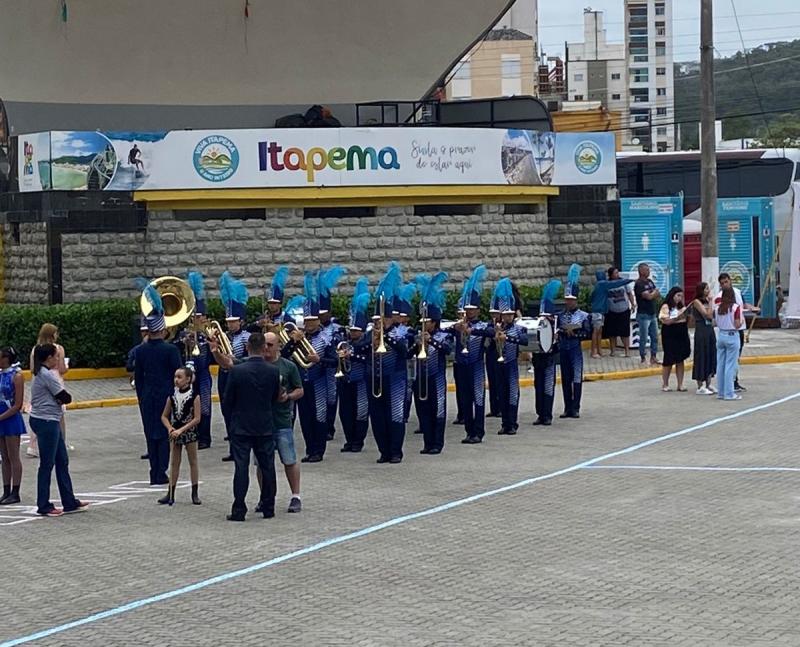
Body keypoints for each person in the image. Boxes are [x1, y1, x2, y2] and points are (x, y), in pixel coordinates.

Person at [222, 333, 281, 521]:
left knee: (241, 467)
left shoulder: (237, 371)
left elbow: (227, 400)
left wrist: (232, 420)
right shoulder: (272, 371)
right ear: (264, 347)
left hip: (241, 425)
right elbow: (275, 397)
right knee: (267, 466)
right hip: (264, 424)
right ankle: (269, 506)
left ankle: (239, 509)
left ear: (247, 347)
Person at [29, 344, 88, 517]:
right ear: (48, 358)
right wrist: (62, 399)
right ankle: (43, 504)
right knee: (47, 464)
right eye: (55, 357)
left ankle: (69, 500)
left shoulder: (41, 372)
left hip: (50, 419)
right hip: (46, 420)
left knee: (62, 460)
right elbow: (65, 397)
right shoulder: (47, 375)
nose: (57, 359)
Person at [284, 273, 336, 463]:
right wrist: (292, 343)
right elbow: (284, 356)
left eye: (313, 320)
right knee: (305, 419)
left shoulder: (326, 338)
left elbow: (334, 361)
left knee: (319, 416)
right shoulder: (298, 337)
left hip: (319, 382)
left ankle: (319, 450)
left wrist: (318, 359)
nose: (309, 324)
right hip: (301, 383)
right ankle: (310, 449)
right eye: (307, 320)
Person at [135, 283, 183, 485]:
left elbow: (138, 377)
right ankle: (161, 471)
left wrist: (141, 396)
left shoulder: (140, 350)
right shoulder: (170, 350)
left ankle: (153, 470)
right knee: (164, 433)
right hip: (166, 396)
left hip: (147, 395)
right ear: (162, 329)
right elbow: (178, 373)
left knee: (150, 432)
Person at [367, 263, 409, 463]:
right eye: (378, 319)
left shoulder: (401, 332)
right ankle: (383, 450)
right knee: (377, 417)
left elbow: (405, 351)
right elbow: (357, 350)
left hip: (395, 378)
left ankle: (396, 451)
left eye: (383, 318)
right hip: (375, 379)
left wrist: (386, 338)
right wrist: (372, 341)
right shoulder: (370, 335)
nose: (380, 322)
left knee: (395, 414)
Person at [261, 332, 304, 513]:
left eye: (271, 345)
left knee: (289, 459)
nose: (267, 348)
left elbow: (300, 390)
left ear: (279, 346)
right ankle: (265, 496)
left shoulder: (288, 366)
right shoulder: (257, 364)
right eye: (264, 345)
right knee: (262, 462)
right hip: (262, 422)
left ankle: (296, 496)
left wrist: (288, 397)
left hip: (282, 420)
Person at [452, 265, 494, 444]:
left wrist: (471, 332)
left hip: (476, 366)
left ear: (477, 310)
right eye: (466, 309)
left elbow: (492, 333)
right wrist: (457, 329)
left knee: (478, 399)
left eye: (472, 309)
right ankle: (469, 430)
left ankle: (478, 431)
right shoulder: (459, 325)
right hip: (461, 365)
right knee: (465, 399)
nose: (469, 312)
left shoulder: (482, 325)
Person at [414, 272, 451, 454]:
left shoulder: (443, 335)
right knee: (424, 411)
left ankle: (437, 442)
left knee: (438, 410)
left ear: (434, 322)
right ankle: (427, 442)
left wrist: (431, 342)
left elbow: (447, 350)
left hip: (436, 377)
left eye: (426, 322)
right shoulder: (418, 336)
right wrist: (417, 344)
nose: (423, 324)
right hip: (421, 377)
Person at [217, 271, 250, 462]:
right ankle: (233, 447)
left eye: (233, 322)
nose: (230, 325)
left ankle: (241, 447)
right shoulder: (224, 337)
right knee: (226, 411)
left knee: (239, 413)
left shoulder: (246, 337)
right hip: (224, 376)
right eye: (228, 322)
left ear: (241, 321)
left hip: (239, 375)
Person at [157, 366, 202, 506]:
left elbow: (197, 418)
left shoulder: (194, 396)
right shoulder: (171, 396)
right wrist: (170, 428)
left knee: (193, 461)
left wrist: (182, 429)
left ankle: (194, 492)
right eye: (175, 377)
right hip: (175, 432)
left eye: (179, 377)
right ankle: (170, 492)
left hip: (189, 432)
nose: (176, 380)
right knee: (174, 462)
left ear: (188, 379)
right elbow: (164, 416)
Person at [491, 279, 529, 435]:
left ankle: (512, 422)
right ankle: (504, 422)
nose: (506, 317)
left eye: (509, 315)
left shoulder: (518, 328)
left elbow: (525, 340)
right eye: (504, 314)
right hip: (499, 363)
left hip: (512, 363)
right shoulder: (497, 327)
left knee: (512, 392)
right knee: (501, 392)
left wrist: (508, 339)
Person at [338, 278, 371, 453]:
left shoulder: (366, 343)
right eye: (352, 330)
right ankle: (349, 439)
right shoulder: (345, 342)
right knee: (345, 413)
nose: (353, 333)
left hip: (361, 381)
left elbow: (368, 359)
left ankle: (358, 440)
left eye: (356, 330)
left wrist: (353, 355)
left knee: (361, 412)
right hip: (345, 381)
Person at [27, 323, 70, 457]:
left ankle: (33, 445)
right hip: (55, 379)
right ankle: (60, 442)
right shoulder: (58, 349)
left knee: (38, 412)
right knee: (58, 415)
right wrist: (66, 366)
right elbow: (62, 369)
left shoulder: (35, 349)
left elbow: (32, 368)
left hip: (38, 382)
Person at [714, 272, 760, 393]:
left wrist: (752, 308)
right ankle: (729, 386)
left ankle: (732, 382)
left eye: (726, 282)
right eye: (722, 283)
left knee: (735, 359)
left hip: (739, 330)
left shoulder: (738, 292)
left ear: (730, 281)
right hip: (729, 330)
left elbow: (744, 305)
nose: (725, 284)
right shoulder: (719, 297)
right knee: (728, 361)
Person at [557, 265, 591, 419]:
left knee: (576, 377)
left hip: (575, 348)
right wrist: (564, 332)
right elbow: (557, 330)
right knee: (565, 378)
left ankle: (576, 407)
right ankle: (567, 407)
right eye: (567, 299)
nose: (569, 302)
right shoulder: (561, 316)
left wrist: (575, 333)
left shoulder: (583, 315)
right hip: (564, 347)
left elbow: (587, 333)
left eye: (571, 300)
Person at [318, 266, 347, 441]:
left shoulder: (337, 328)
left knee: (331, 397)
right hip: (319, 367)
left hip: (332, 367)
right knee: (321, 398)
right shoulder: (316, 329)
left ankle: (330, 426)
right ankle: (325, 426)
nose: (321, 317)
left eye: (323, 314)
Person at [186, 271, 213, 449]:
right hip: (189, 375)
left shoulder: (209, 334)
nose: (197, 319)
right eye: (195, 316)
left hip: (203, 373)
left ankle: (205, 437)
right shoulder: (186, 334)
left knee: (204, 405)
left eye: (200, 317)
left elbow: (210, 358)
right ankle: (193, 433)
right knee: (188, 406)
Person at [532, 280, 560, 426]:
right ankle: (540, 414)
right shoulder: (538, 324)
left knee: (548, 386)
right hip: (538, 358)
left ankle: (547, 414)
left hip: (549, 358)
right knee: (538, 386)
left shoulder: (556, 325)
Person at [0, 347, 25, 505]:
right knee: (4, 457)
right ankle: (6, 490)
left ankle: (15, 491)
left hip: (11, 419)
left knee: (13, 456)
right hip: (1, 419)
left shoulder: (17, 376)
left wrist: (1, 417)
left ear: (7, 359)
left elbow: (18, 404)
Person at [658, 287, 691, 392]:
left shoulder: (682, 307)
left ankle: (680, 384)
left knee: (680, 359)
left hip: (681, 333)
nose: (679, 298)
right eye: (678, 296)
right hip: (670, 333)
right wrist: (677, 318)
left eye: (681, 296)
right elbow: (666, 321)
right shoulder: (666, 307)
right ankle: (665, 383)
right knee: (669, 359)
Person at [714, 287, 744, 401]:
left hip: (721, 335)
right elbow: (737, 324)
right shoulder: (735, 308)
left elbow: (715, 322)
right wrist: (741, 322)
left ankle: (721, 392)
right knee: (730, 365)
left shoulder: (717, 308)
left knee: (721, 364)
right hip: (732, 335)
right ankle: (729, 393)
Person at [126, 318, 150, 459]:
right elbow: (129, 366)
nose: (145, 334)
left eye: (147, 331)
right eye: (143, 332)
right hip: (144, 388)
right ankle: (150, 447)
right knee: (147, 420)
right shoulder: (137, 350)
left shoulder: (166, 347)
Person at [690, 282, 717, 395]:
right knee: (701, 355)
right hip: (701, 330)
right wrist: (711, 302)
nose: (708, 290)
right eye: (706, 289)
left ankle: (708, 383)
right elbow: (707, 315)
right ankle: (700, 384)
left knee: (710, 354)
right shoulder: (696, 302)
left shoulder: (707, 301)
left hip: (709, 330)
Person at [603, 267, 637, 357]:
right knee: (612, 333)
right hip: (611, 311)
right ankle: (613, 351)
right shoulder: (607, 284)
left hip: (624, 310)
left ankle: (627, 351)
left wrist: (633, 304)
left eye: (617, 273)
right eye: (615, 273)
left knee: (625, 332)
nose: (617, 275)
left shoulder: (623, 282)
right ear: (611, 275)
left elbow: (629, 293)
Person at [634, 263, 661, 366]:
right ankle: (643, 357)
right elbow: (648, 296)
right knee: (644, 337)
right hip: (643, 314)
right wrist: (653, 293)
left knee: (655, 337)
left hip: (652, 313)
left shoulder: (650, 282)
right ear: (641, 271)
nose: (648, 271)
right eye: (646, 270)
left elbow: (657, 294)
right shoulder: (639, 284)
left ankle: (653, 357)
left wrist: (652, 294)